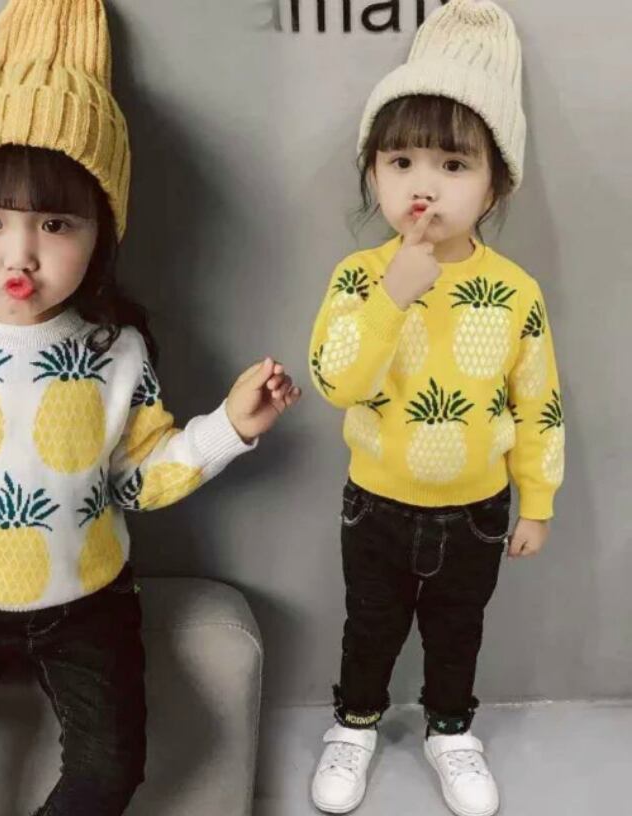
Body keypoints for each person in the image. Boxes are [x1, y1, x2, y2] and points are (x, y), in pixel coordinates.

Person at [0, 2, 301, 814]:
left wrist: (230, 429)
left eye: (57, 223)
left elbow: (140, 475)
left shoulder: (117, 352)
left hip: (87, 605)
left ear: (101, 233)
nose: (21, 254)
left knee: (111, 768)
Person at [307, 2, 564, 814]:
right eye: (401, 161)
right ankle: (353, 725)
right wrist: (391, 295)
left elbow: (539, 401)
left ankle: (452, 731)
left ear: (495, 183)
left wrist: (538, 501)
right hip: (376, 505)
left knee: (458, 632)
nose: (423, 185)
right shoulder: (359, 277)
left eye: (453, 164)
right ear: (374, 174)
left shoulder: (515, 291)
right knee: (370, 627)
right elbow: (335, 380)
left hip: (478, 512)